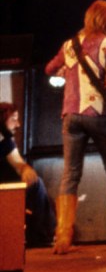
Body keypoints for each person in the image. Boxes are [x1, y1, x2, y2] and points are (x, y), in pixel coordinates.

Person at [45, 0, 106, 254]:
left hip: (71, 115)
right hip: (98, 115)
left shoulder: (70, 45)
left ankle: (63, 235)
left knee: (70, 174)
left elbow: (50, 69)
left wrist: (65, 73)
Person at [0, 102, 55, 247]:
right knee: (37, 185)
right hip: (4, 191)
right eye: (14, 119)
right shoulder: (4, 141)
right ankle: (42, 236)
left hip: (7, 189)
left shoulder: (6, 142)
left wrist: (25, 169)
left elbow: (18, 162)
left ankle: (41, 233)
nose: (18, 124)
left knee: (36, 184)